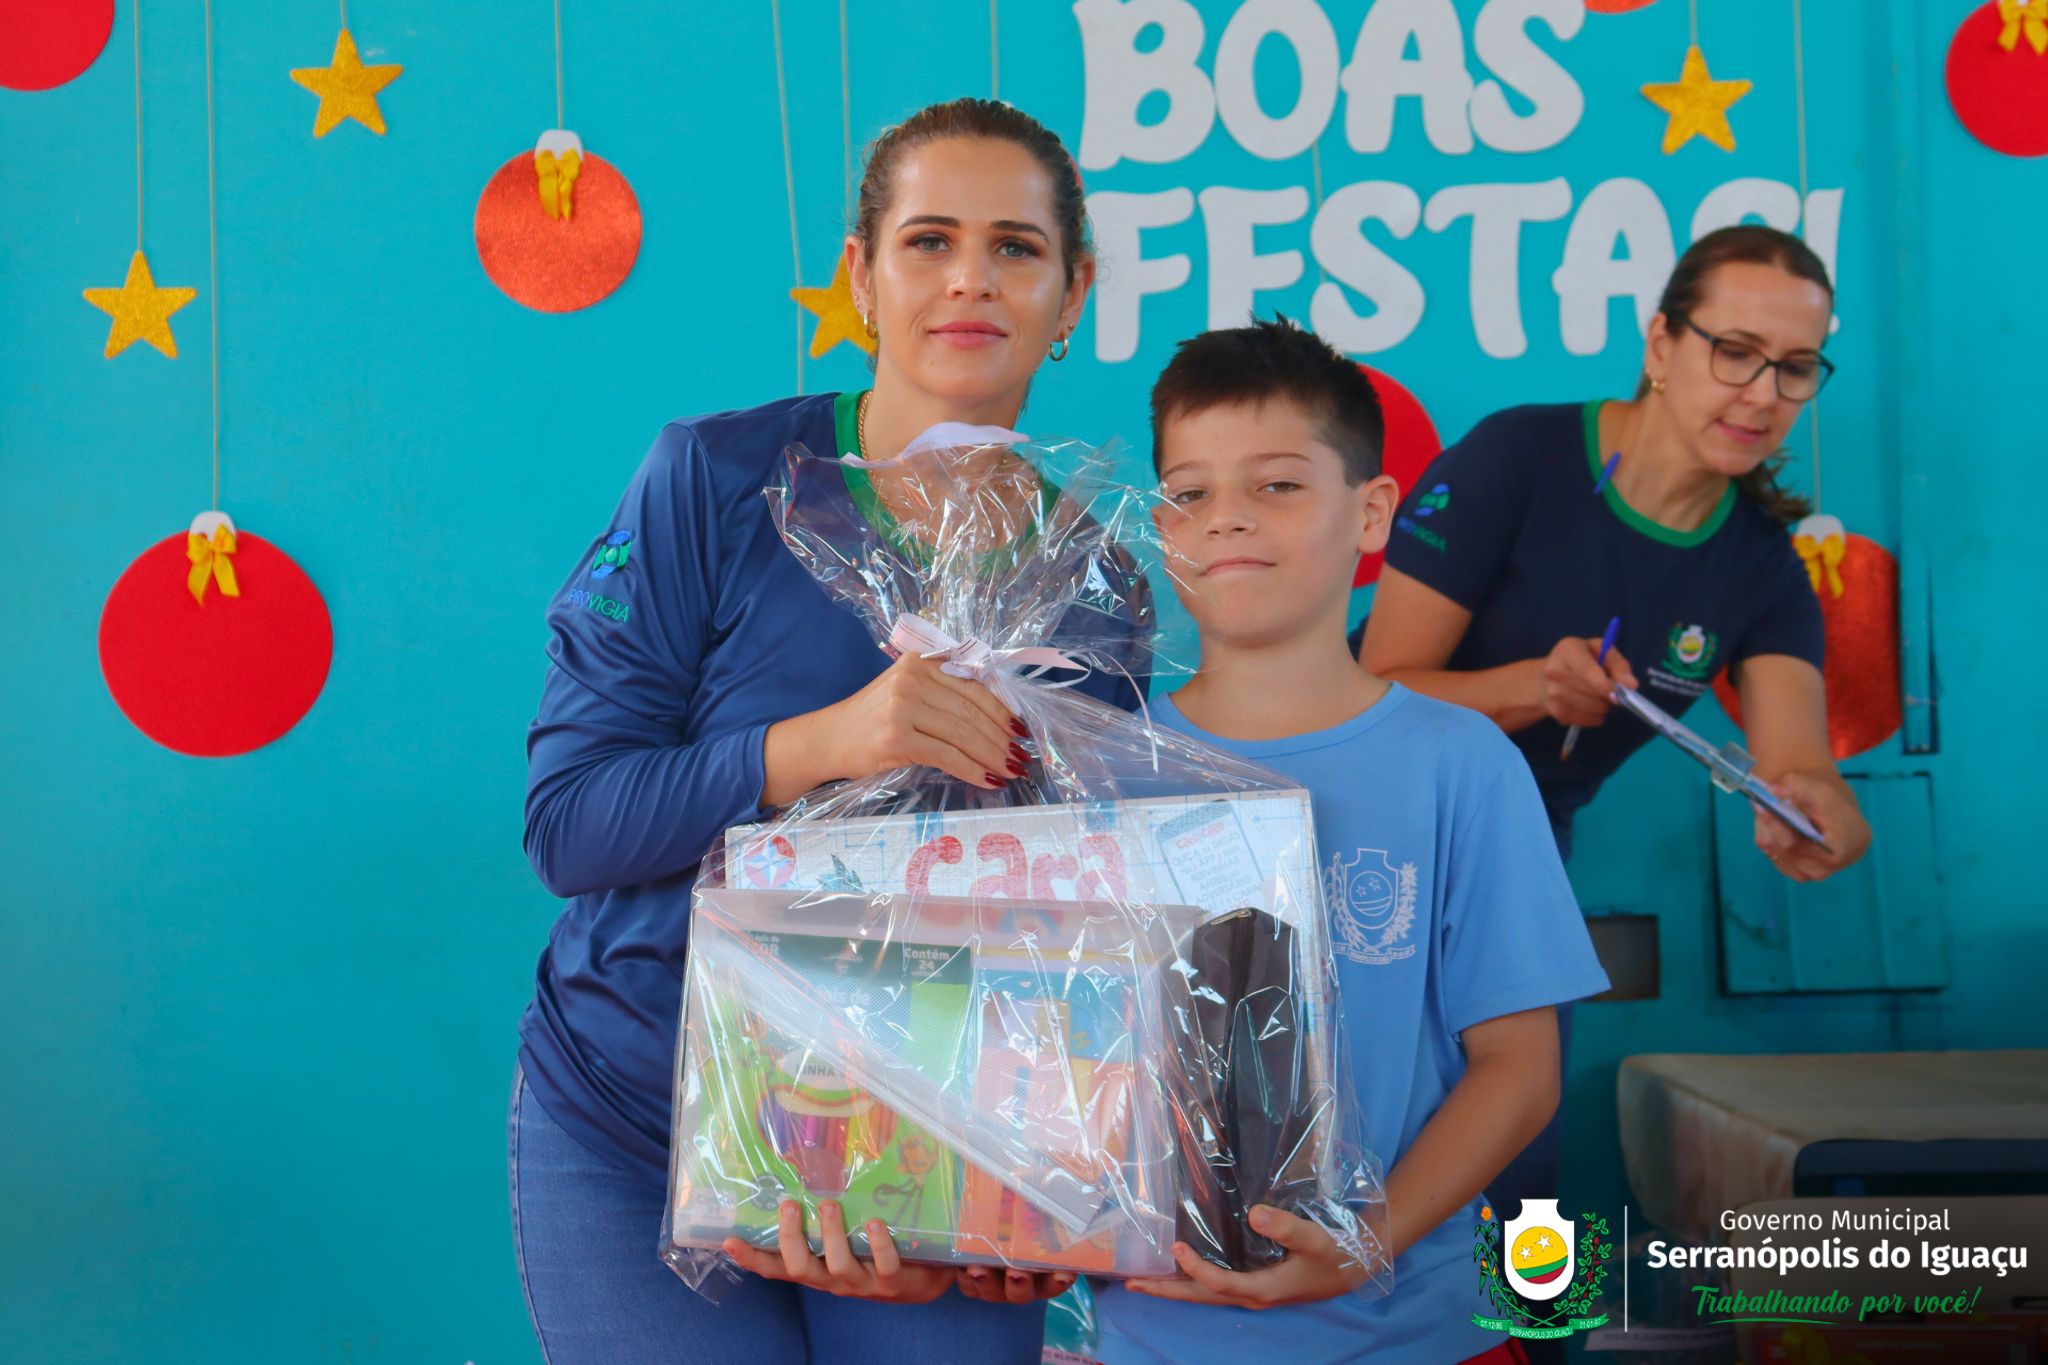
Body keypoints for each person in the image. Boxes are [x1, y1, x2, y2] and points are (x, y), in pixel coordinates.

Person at [511, 98, 1142, 1365]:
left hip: (932, 1159)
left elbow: (1077, 936)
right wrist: (829, 744)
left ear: (1072, 294)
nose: (971, 278)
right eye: (928, 240)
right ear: (862, 275)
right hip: (638, 1121)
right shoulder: (715, 481)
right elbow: (568, 827)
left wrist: (1036, 1193)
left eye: (1017, 248)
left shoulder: (1106, 593)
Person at [1354, 225, 1875, 1357]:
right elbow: (1372, 690)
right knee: (1353, 1119)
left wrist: (1815, 815)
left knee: (1530, 1145)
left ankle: (1548, 1349)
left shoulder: (1761, 571)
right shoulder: (1517, 459)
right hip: (1360, 825)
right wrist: (1531, 687)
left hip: (1520, 848)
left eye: (1793, 368)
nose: (1760, 391)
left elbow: (1796, 762)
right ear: (1657, 340)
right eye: (1732, 350)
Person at [1093, 318, 1611, 1365]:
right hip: (1151, 1338)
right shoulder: (1099, 764)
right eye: (1190, 493)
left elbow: (1518, 1068)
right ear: (1159, 525)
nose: (1227, 518)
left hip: (1414, 1332)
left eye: (1277, 485)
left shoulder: (1457, 762)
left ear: (1371, 512)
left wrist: (1365, 1244)